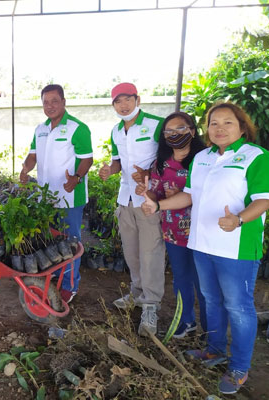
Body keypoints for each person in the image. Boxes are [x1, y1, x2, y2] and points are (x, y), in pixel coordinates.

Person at [140, 102, 269, 394]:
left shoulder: (257, 157)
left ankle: (239, 366)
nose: (220, 129)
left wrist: (238, 220)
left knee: (238, 307)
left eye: (228, 123)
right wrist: (158, 205)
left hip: (236, 247)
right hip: (201, 243)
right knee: (211, 300)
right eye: (214, 123)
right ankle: (214, 349)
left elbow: (264, 200)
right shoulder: (202, 158)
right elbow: (188, 196)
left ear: (242, 126)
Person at [98, 82, 165, 336]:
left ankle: (151, 305)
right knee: (132, 251)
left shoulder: (156, 124)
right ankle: (137, 293)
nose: (123, 105)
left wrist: (149, 174)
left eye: (127, 99)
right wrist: (109, 170)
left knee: (151, 253)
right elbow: (117, 163)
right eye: (117, 101)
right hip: (125, 198)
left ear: (137, 99)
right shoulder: (116, 130)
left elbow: (169, 160)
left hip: (148, 199)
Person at [134, 111, 207, 338]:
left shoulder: (205, 160)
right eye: (169, 131)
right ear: (164, 136)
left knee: (204, 283)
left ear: (192, 131)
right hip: (174, 231)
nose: (175, 134)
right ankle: (186, 322)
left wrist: (178, 197)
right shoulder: (162, 164)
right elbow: (156, 194)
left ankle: (210, 329)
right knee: (181, 278)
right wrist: (146, 194)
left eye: (181, 129)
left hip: (201, 232)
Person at [19, 84, 93, 303]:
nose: (49, 106)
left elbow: (87, 159)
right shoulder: (40, 129)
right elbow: (33, 155)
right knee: (51, 241)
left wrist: (77, 178)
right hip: (45, 199)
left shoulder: (77, 128)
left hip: (70, 197)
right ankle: (54, 277)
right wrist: (25, 168)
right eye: (45, 102)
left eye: (54, 101)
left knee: (70, 243)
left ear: (63, 102)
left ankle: (70, 285)